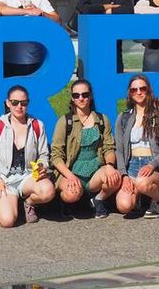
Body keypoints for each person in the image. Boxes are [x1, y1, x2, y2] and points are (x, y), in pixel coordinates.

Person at [0, 86, 55, 227]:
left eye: (24, 103)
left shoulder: (37, 125)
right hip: (4, 179)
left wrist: (41, 166)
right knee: (7, 221)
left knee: (48, 191)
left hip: (28, 177)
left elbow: (44, 154)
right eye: (15, 102)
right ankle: (12, 201)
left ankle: (29, 202)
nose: (19, 106)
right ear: (8, 103)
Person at [51, 80, 121, 218]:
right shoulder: (65, 122)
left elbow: (108, 148)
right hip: (71, 171)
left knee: (115, 177)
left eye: (85, 94)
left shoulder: (102, 120)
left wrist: (110, 166)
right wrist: (69, 176)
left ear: (91, 96)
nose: (81, 98)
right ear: (72, 98)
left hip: (95, 170)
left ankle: (98, 199)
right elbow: (56, 155)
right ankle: (68, 202)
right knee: (71, 195)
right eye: (76, 95)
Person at [114, 75, 159, 219]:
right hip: (132, 165)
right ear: (130, 93)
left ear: (148, 91)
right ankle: (136, 200)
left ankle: (158, 200)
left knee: (142, 183)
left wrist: (152, 165)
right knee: (124, 205)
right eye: (134, 90)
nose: (139, 92)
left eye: (142, 88)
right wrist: (123, 175)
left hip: (154, 166)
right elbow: (119, 150)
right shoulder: (123, 117)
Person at [75, 0, 134, 73]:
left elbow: (129, 9)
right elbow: (85, 9)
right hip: (90, 49)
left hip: (114, 51)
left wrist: (108, 12)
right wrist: (105, 7)